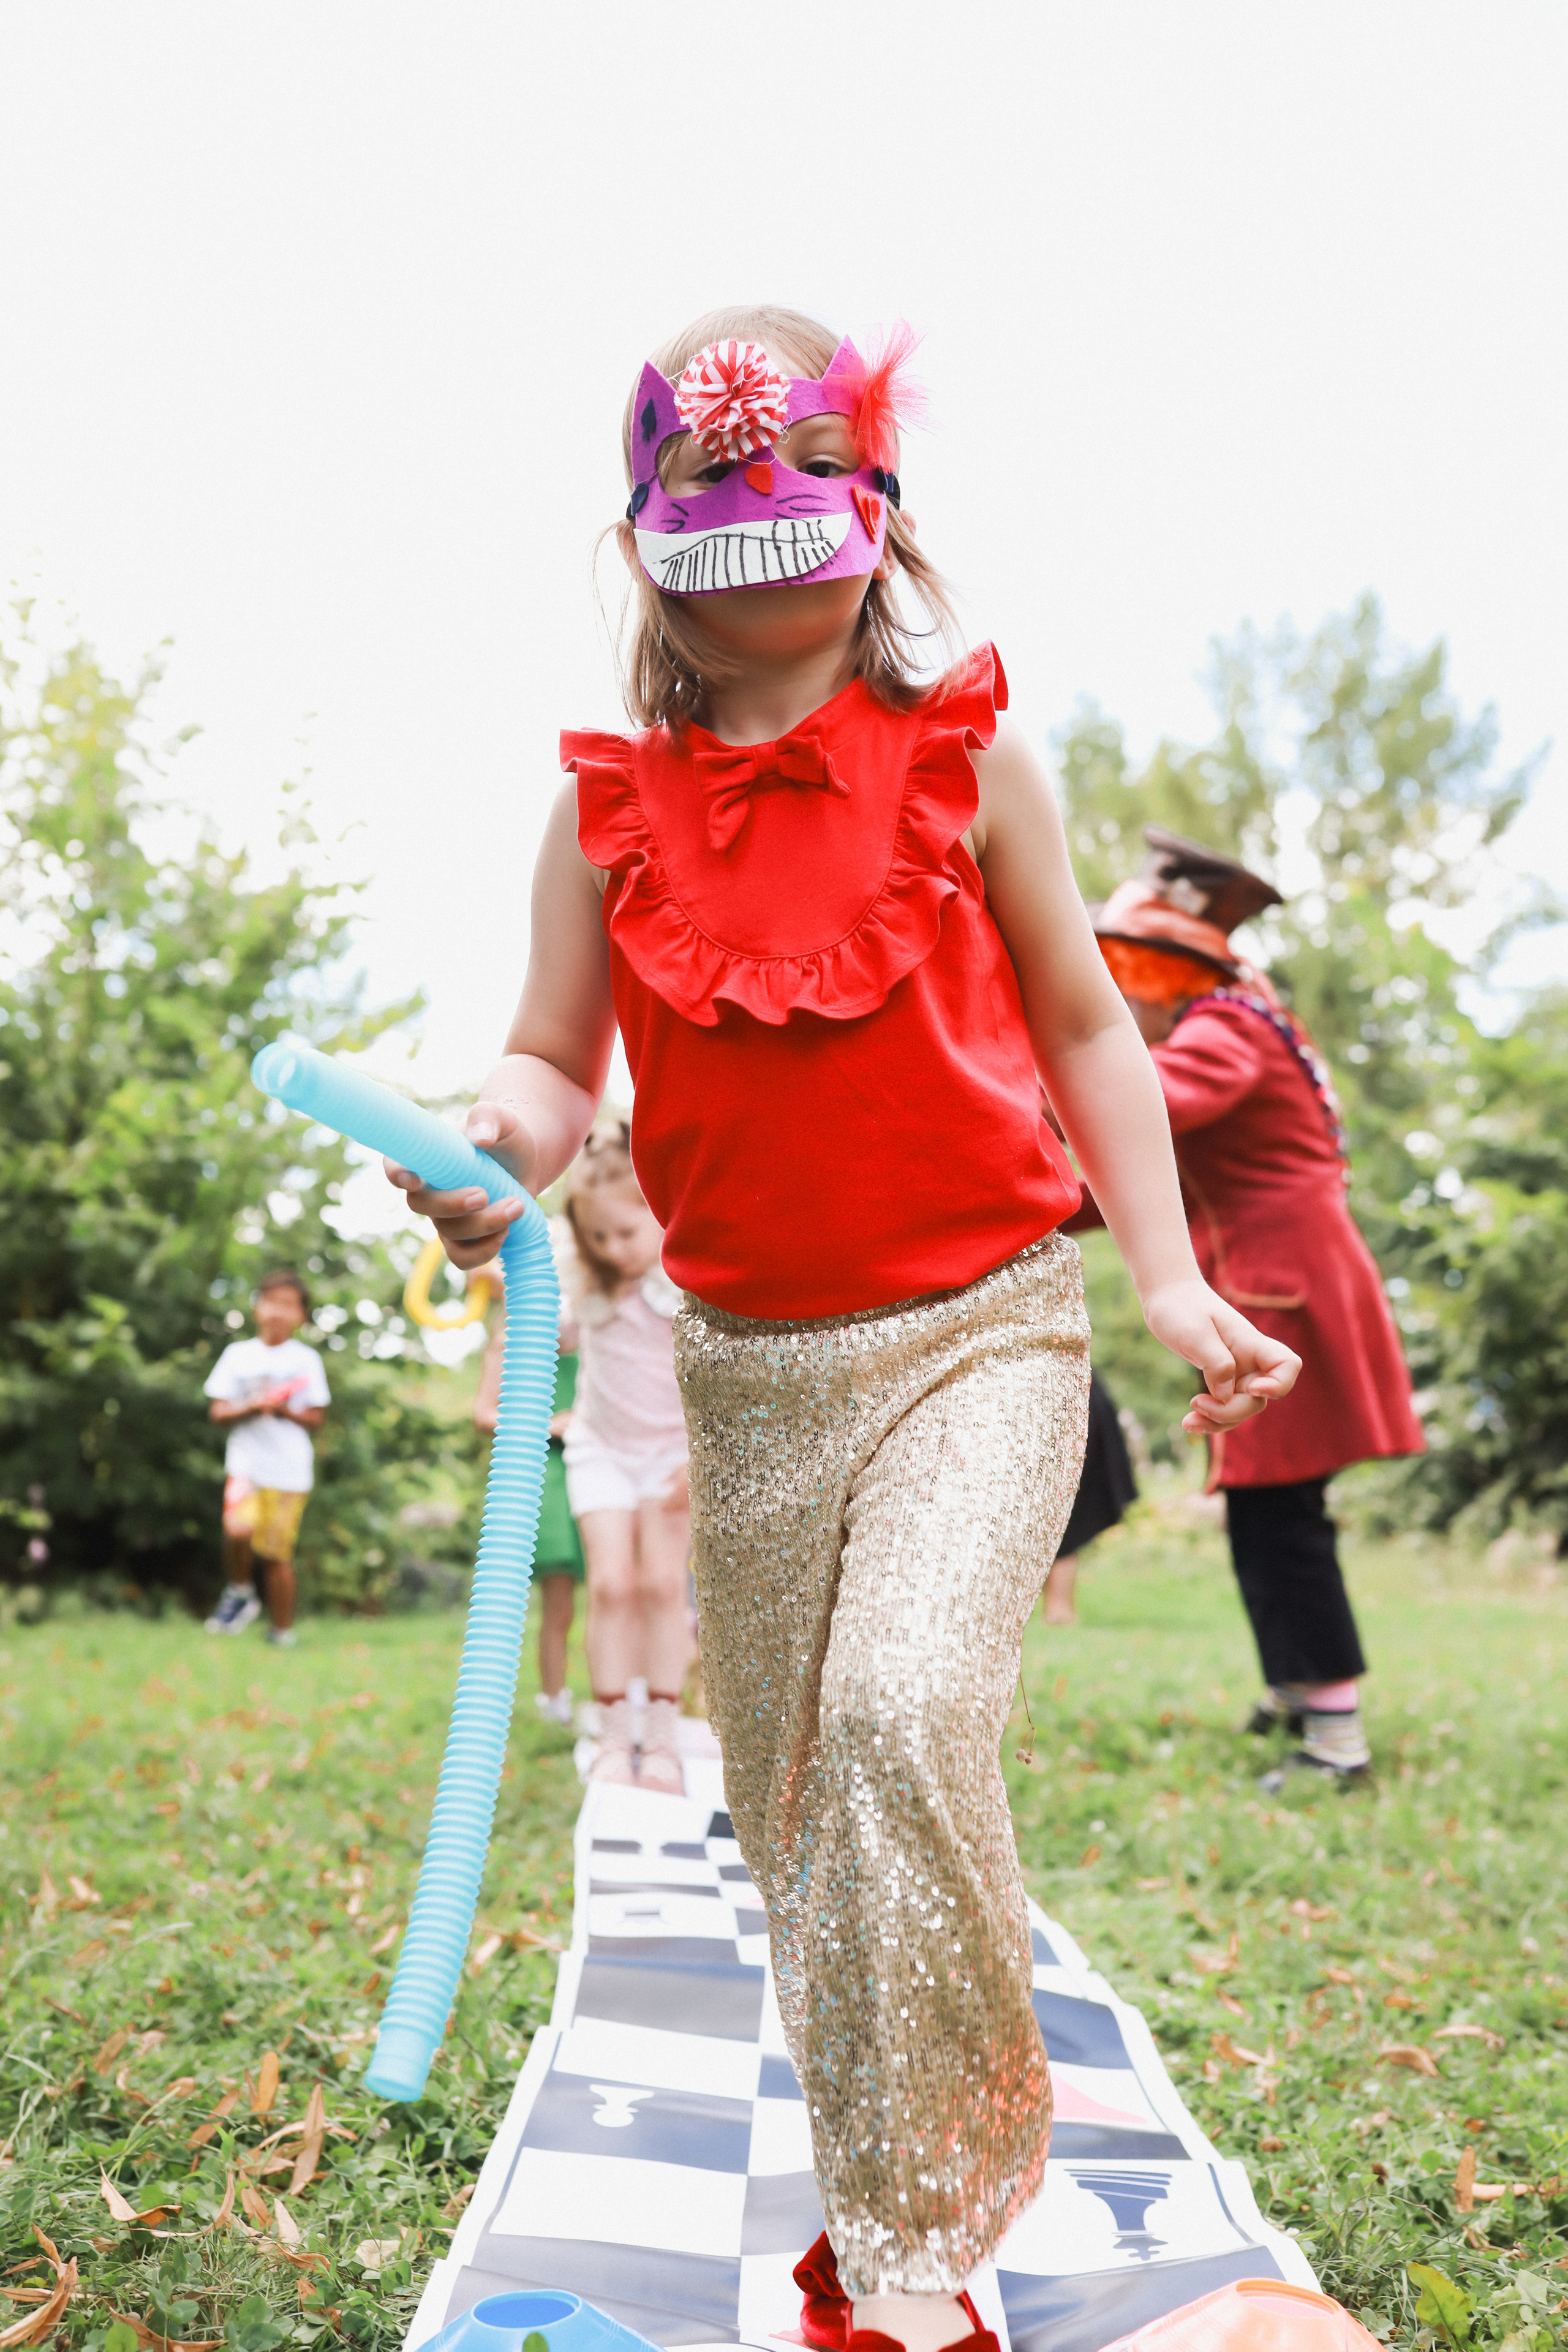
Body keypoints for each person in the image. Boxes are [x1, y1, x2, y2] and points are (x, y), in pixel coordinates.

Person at [385, 307, 1298, 2352]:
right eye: (700, 495)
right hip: (753, 1373)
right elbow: (549, 1062)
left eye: (785, 486)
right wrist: (488, 1151)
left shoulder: (973, 763)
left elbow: (1087, 1024)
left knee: (902, 1720)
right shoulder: (604, 816)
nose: (749, 530)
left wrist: (1164, 1279)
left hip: (988, 1331)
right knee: (801, 1816)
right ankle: (896, 2222)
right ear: (646, 548)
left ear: (876, 528)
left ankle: (919, 2231)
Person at [1085, 824, 1425, 1785]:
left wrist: (1038, 1074)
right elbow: (1141, 1174)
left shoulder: (1224, 1030)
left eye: (1125, 971)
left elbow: (1138, 1102)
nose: (1117, 994)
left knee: (1282, 1514)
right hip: (1282, 1281)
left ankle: (1336, 1743)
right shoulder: (1246, 1015)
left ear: (1164, 968)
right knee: (1264, 1504)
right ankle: (1293, 1696)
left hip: (1284, 1291)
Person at [557, 1125, 692, 1792]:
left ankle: (661, 1738)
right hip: (601, 1450)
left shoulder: (685, 1286)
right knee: (610, 1586)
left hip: (671, 1453)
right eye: (599, 1238)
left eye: (627, 1231)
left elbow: (721, 1381)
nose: (615, 1249)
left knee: (664, 1586)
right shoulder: (588, 1291)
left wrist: (698, 1461)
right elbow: (533, 1334)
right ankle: (615, 1734)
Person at [203, 1268, 329, 1647]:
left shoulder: (306, 1361)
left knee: (276, 1556)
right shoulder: (237, 1355)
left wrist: (283, 1410)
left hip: (289, 1473)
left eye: (288, 1305)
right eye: (272, 1301)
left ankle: (281, 1632)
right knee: (237, 1529)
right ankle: (240, 1591)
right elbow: (218, 1412)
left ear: (301, 1316)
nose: (278, 1311)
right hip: (246, 1465)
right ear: (258, 1307)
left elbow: (316, 1418)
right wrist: (252, 1406)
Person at [475, 1295, 585, 1728]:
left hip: (599, 1468)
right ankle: (555, 1698)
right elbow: (483, 1414)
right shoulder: (512, 1346)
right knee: (558, 1600)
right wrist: (547, 1426)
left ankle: (623, 1696)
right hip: (545, 1476)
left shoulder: (599, 1341)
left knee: (614, 1591)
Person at [1039, 1368, 1138, 1624]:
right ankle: (1055, 1608)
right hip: (1056, 1395)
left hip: (1071, 1401)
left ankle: (1059, 1609)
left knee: (1065, 1517)